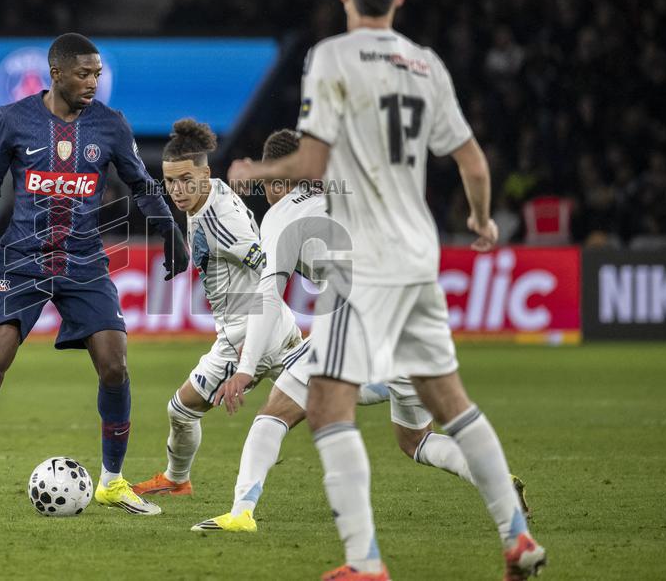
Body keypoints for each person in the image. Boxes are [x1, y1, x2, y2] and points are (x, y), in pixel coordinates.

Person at [228, 0, 546, 581]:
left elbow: (312, 165)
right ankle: (516, 536)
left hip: (365, 266)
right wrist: (481, 220)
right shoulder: (426, 64)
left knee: (324, 406)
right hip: (420, 255)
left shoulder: (330, 58)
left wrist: (255, 168)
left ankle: (364, 562)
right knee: (448, 401)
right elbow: (472, 162)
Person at [192, 130, 529, 533]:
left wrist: (246, 368)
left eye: (267, 183)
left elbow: (268, 295)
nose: (265, 193)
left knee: (274, 413)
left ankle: (241, 513)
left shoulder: (281, 216)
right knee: (416, 441)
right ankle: (497, 483)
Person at [0, 33, 189, 517]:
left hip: (84, 261)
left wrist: (170, 231)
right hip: (22, 258)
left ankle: (111, 481)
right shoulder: (13, 120)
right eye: (83, 74)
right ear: (57, 73)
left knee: (115, 364)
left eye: (97, 75)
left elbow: (140, 182)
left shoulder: (110, 125)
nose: (92, 83)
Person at [130, 119, 310, 498]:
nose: (177, 190)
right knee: (326, 396)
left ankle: (177, 480)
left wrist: (250, 347)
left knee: (181, 408)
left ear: (205, 174)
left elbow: (270, 271)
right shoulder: (209, 193)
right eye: (170, 181)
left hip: (245, 334)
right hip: (273, 327)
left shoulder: (219, 220)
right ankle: (400, 388)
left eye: (185, 180)